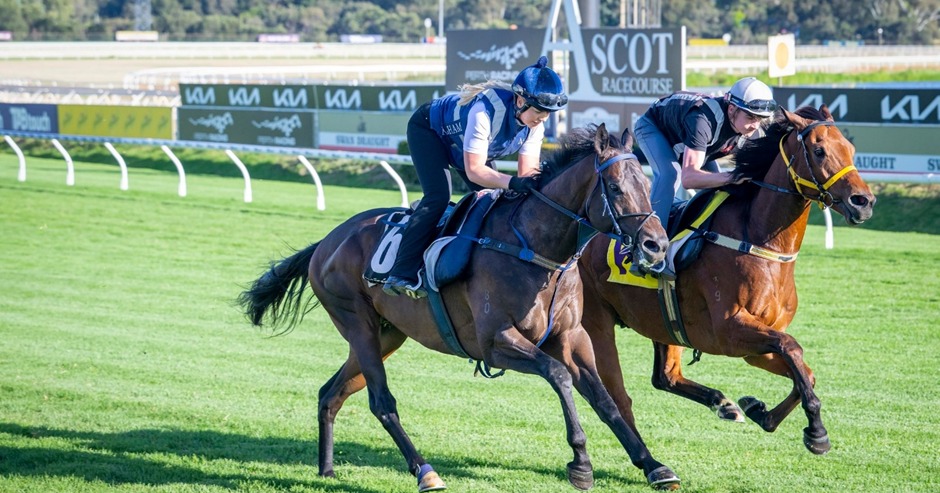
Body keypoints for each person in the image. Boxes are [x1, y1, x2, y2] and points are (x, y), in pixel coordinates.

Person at [383, 55, 568, 298]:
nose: (543, 118)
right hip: (430, 131)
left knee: (495, 200)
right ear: (521, 100)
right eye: (539, 111)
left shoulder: (535, 124)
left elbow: (527, 174)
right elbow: (475, 170)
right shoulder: (485, 111)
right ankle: (401, 271)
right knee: (438, 197)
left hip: (464, 145)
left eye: (548, 112)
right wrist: (512, 183)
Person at [632, 76, 777, 280]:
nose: (755, 125)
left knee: (719, 188)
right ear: (731, 109)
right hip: (653, 127)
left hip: (693, 141)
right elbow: (689, 178)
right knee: (670, 174)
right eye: (751, 117)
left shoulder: (748, 127)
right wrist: (730, 176)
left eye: (760, 119)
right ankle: (648, 251)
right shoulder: (703, 120)